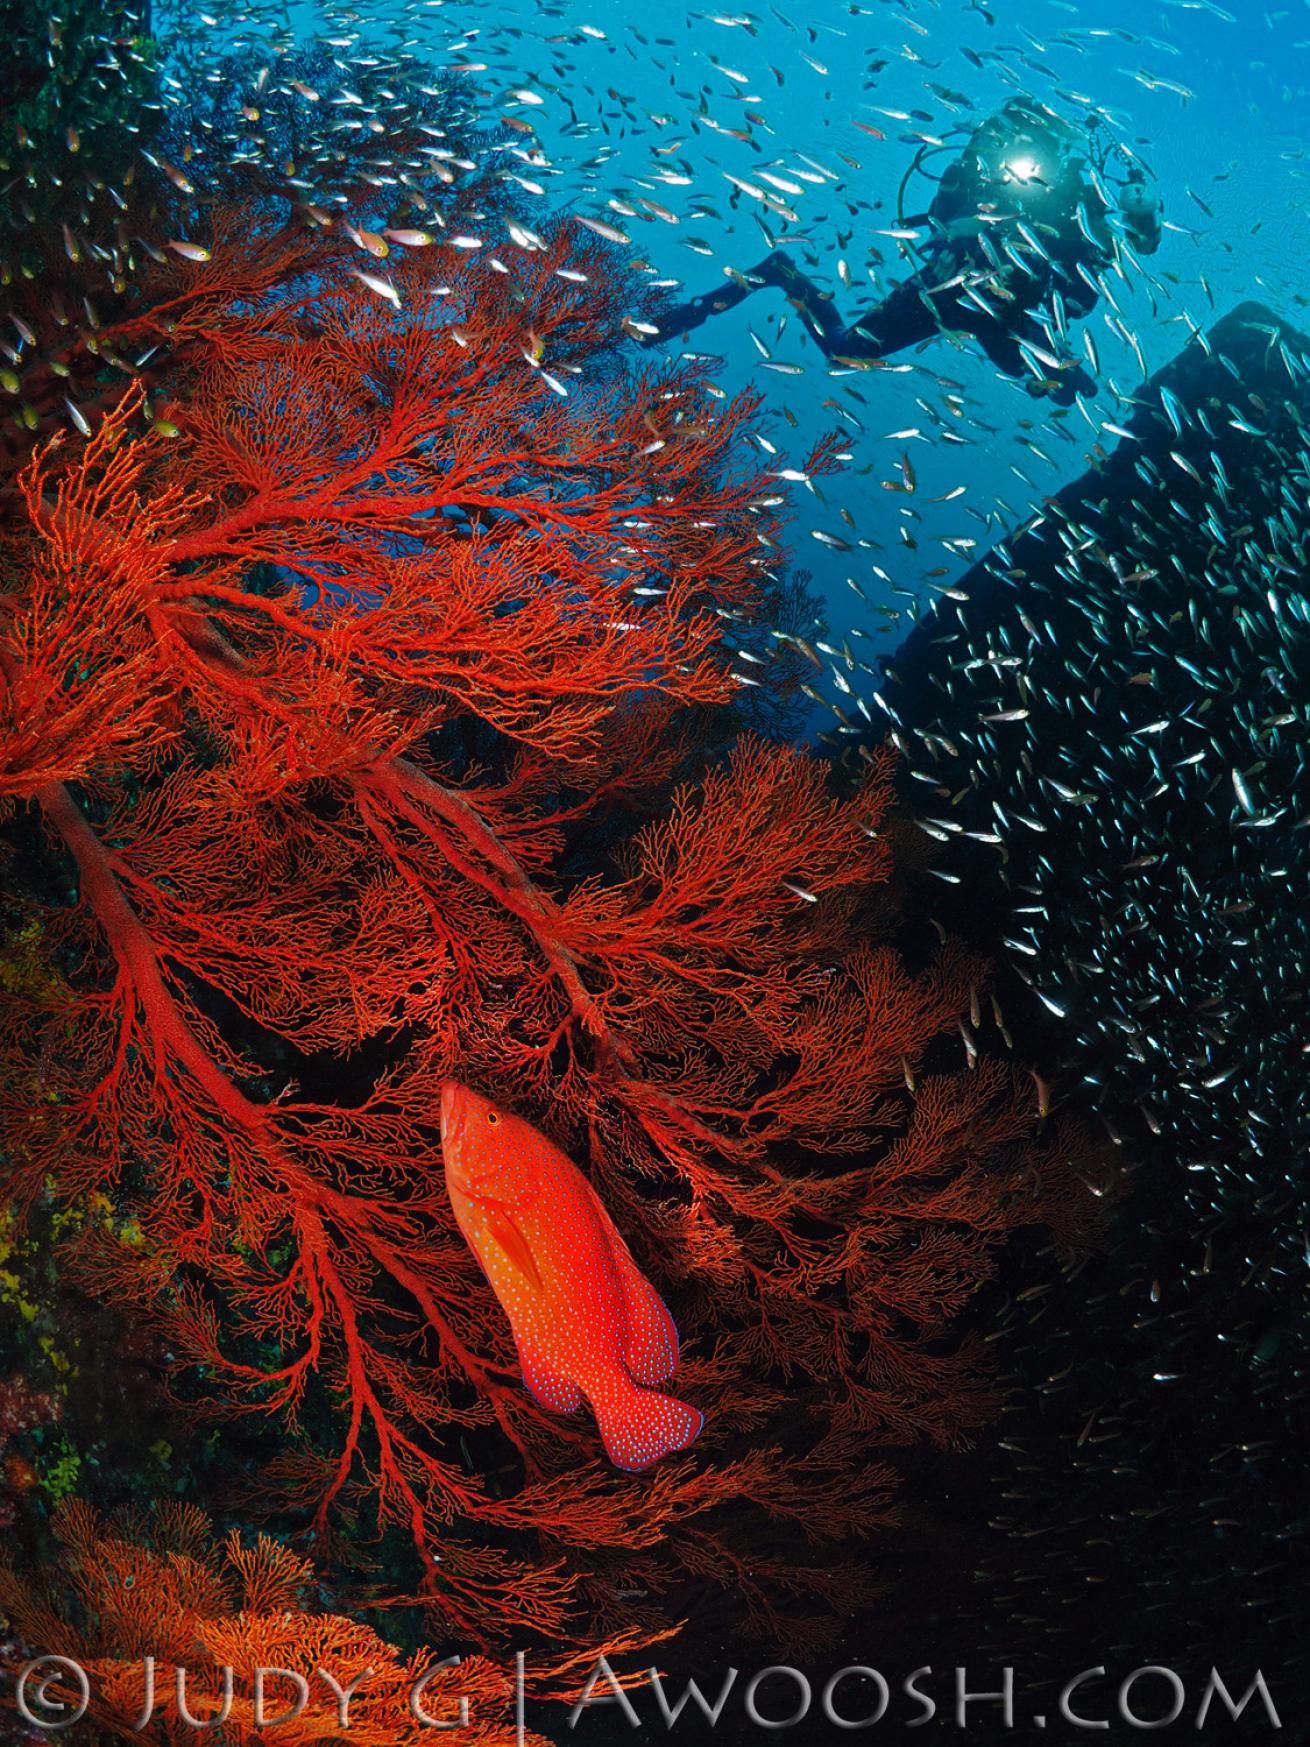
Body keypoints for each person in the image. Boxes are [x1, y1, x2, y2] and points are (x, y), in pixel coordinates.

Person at [644, 97, 1163, 406]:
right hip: (947, 287)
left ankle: (1045, 376)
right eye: (1018, 140)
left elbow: (1121, 250)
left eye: (1039, 145)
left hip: (1011, 306)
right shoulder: (980, 166)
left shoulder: (1077, 189)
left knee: (1073, 388)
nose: (1028, 154)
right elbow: (939, 216)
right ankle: (783, 273)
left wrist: (1140, 217)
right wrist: (966, 220)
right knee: (846, 352)